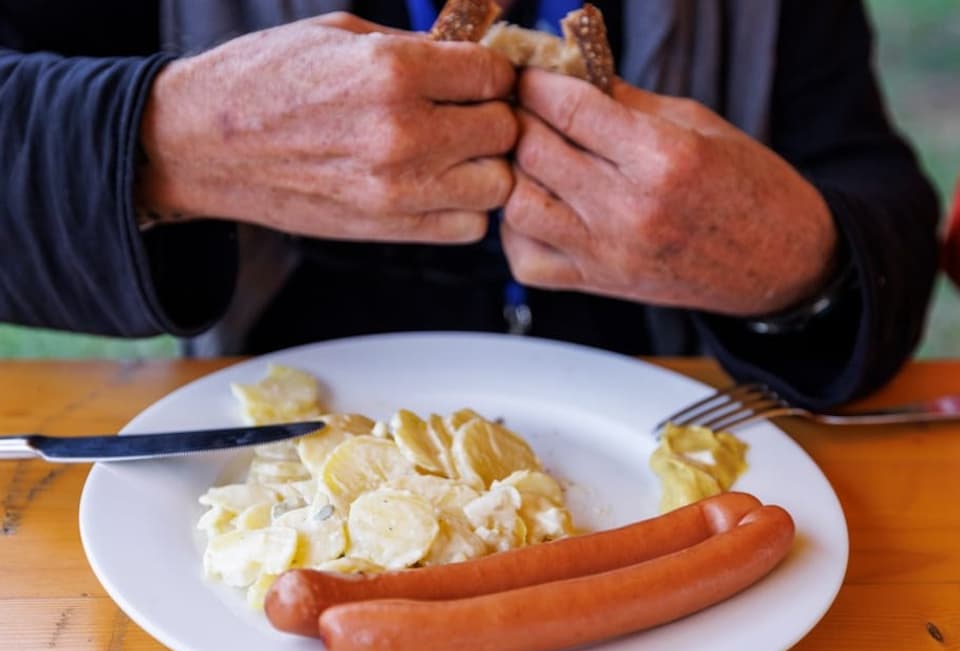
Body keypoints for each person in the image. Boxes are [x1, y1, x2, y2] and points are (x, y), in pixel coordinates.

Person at [0, 0, 940, 410]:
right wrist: (168, 138)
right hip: (277, 458)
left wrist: (797, 260)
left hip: (650, 466)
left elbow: (876, 196)